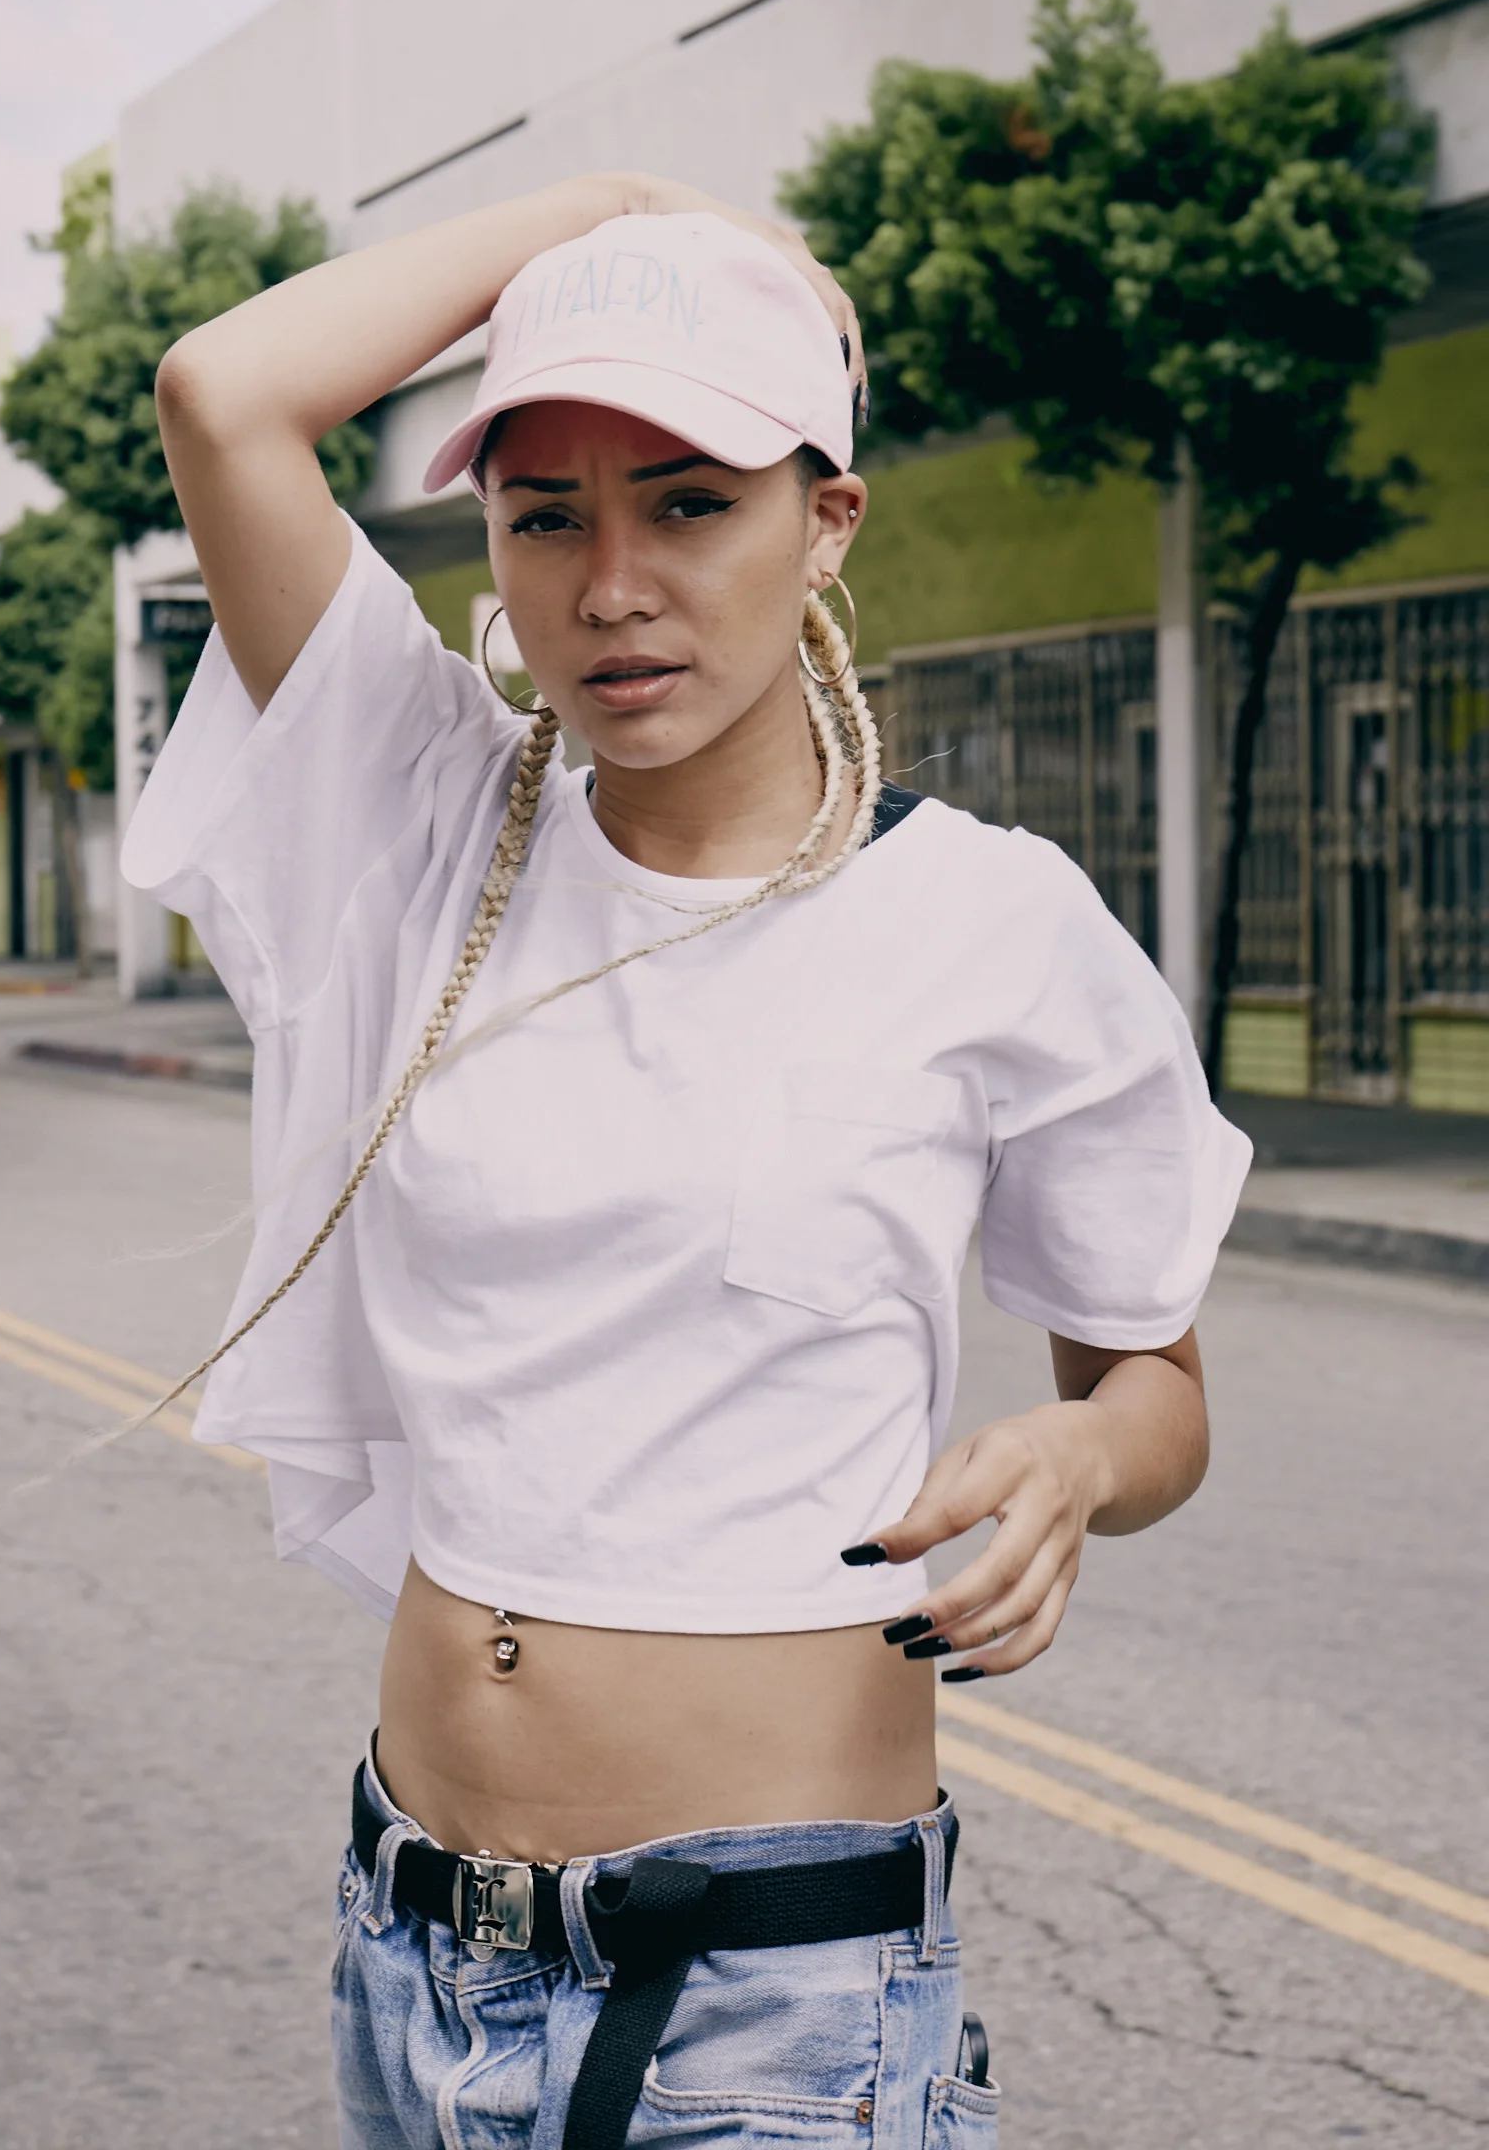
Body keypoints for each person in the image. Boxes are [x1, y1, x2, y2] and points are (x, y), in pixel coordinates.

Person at [124, 175, 1250, 2150]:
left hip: (776, 1997)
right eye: (545, 512)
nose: (611, 582)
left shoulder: (995, 925)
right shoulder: (420, 818)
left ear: (828, 522)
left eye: (690, 500)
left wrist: (1077, 1460)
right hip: (418, 1945)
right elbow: (226, 392)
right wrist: (593, 212)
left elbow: (1152, 1385)